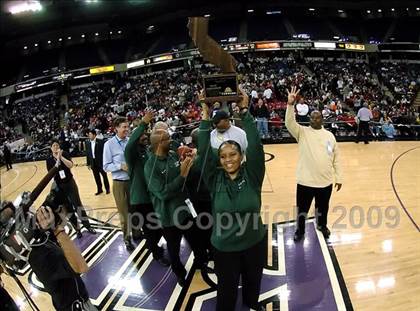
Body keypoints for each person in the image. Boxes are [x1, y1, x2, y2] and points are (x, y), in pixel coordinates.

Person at [197, 89, 267, 311]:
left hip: (254, 243)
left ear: (241, 156)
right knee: (226, 291)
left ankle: (251, 304)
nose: (228, 159)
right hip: (224, 249)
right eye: (224, 156)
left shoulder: (253, 174)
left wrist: (245, 110)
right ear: (219, 160)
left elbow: (256, 145)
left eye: (233, 154)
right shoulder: (214, 178)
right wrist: (205, 115)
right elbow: (203, 150)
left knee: (253, 284)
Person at [0, 203, 97, 311]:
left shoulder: (40, 243)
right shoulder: (41, 257)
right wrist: (58, 229)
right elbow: (80, 267)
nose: (30, 217)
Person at [144, 128, 208, 286]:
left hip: (185, 209)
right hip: (168, 217)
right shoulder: (150, 166)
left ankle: (202, 262)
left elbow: (183, 176)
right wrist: (182, 176)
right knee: (174, 249)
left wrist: (189, 164)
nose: (170, 141)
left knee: (196, 239)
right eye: (167, 139)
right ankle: (179, 273)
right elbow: (162, 193)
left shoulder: (172, 154)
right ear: (159, 143)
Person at [285, 86, 342, 242]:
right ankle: (300, 230)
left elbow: (336, 157)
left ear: (322, 120)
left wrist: (339, 177)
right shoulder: (302, 132)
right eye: (312, 118)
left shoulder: (329, 136)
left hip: (325, 182)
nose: (314, 120)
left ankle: (322, 225)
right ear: (309, 120)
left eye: (317, 118)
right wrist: (290, 105)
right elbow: (289, 123)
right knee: (302, 209)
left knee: (322, 208)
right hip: (305, 181)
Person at [124, 112, 169, 266]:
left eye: (145, 134)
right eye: (141, 134)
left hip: (154, 197)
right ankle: (157, 255)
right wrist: (143, 123)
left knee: (158, 228)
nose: (144, 136)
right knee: (151, 230)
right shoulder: (131, 154)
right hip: (141, 199)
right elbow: (130, 144)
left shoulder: (148, 151)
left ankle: (154, 246)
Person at [46, 139, 95, 239]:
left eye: (57, 145)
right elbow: (51, 174)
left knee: (78, 205)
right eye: (53, 146)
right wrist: (57, 161)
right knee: (68, 209)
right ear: (51, 148)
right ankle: (77, 230)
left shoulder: (65, 153)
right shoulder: (49, 160)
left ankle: (88, 226)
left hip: (70, 183)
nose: (55, 147)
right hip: (60, 186)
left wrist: (61, 157)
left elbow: (70, 165)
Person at [103, 117, 134, 251]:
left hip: (132, 182)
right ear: (116, 128)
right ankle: (127, 238)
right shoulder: (109, 144)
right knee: (124, 213)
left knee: (135, 209)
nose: (127, 129)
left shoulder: (130, 141)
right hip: (119, 183)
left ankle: (137, 233)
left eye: (127, 127)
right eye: (124, 127)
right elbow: (105, 166)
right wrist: (120, 166)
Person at [85, 129, 110, 195]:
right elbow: (88, 154)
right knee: (96, 177)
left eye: (90, 134)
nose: (89, 136)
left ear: (94, 135)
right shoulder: (87, 143)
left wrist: (105, 161)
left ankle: (107, 189)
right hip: (93, 162)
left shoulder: (101, 142)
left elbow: (105, 153)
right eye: (89, 134)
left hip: (100, 162)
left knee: (104, 176)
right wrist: (88, 163)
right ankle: (99, 189)